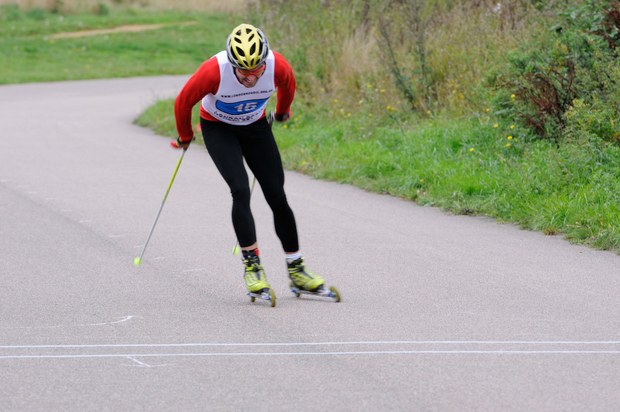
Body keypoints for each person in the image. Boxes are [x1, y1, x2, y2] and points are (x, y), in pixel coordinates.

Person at [173, 23, 327, 298]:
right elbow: (183, 102)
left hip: (255, 127)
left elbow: (288, 86)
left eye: (256, 69)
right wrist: (185, 136)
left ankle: (297, 270)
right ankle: (253, 268)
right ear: (232, 63)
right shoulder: (213, 71)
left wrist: (282, 112)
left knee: (277, 196)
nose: (250, 76)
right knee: (241, 190)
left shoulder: (277, 65)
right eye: (243, 70)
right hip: (218, 128)